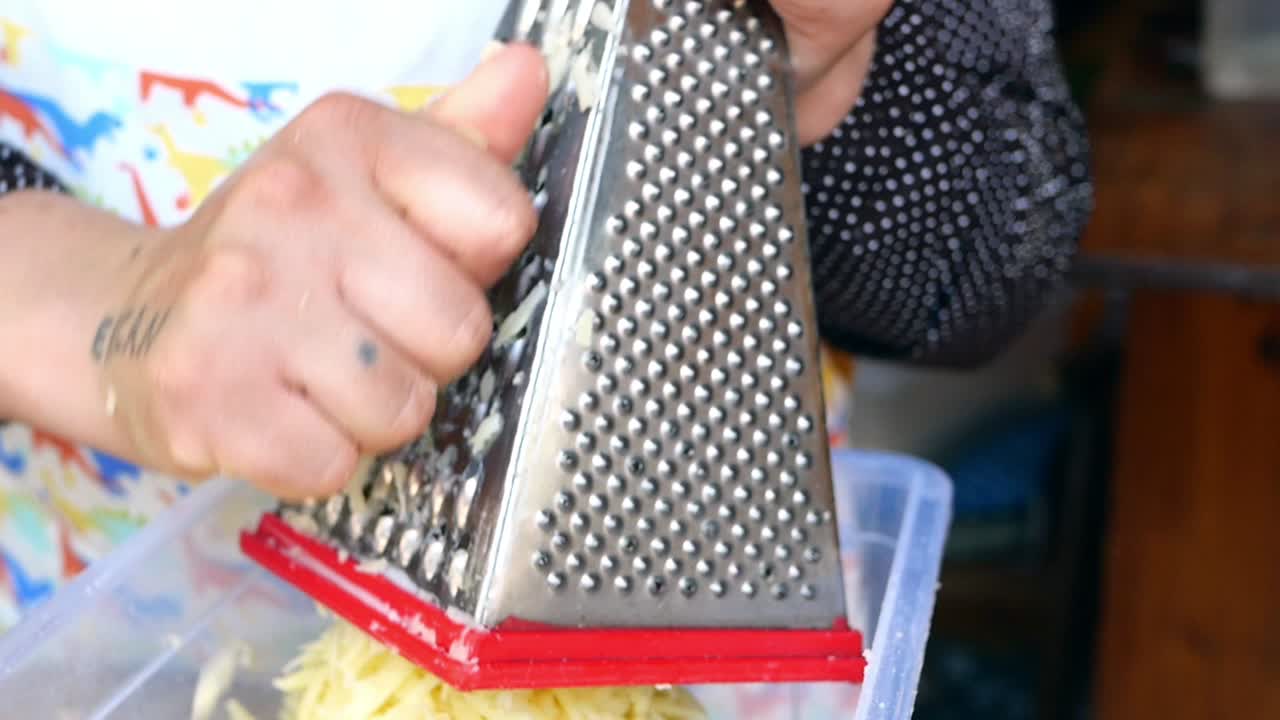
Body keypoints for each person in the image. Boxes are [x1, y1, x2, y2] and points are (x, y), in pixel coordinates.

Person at [0, 0, 1091, 629]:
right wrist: (115, 311)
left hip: (683, 612)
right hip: (97, 629)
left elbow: (1002, 242)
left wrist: (779, 72)